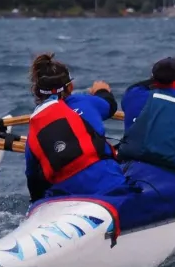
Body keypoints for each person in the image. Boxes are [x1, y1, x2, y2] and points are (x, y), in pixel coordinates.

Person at [24, 52, 131, 203]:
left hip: (68, 196)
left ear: (37, 93)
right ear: (71, 86)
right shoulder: (86, 101)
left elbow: (33, 179)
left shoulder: (36, 126)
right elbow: (110, 106)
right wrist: (102, 91)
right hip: (108, 182)